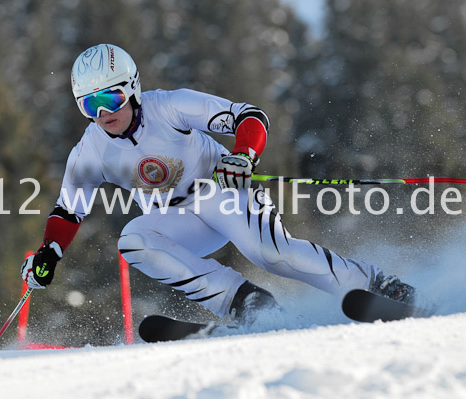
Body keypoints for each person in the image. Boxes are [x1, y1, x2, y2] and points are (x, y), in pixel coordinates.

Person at [21, 44, 416, 326]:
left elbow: (250, 116)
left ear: (133, 87)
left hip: (222, 192)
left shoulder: (169, 106)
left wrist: (243, 156)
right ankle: (246, 303)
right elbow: (68, 211)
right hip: (176, 219)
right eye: (91, 105)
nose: (105, 112)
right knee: (133, 239)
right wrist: (49, 254)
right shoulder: (89, 150)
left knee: (269, 254)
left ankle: (377, 283)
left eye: (111, 96)